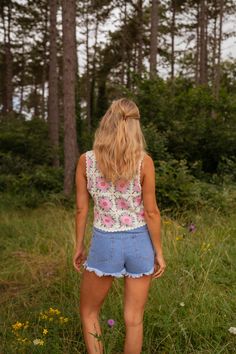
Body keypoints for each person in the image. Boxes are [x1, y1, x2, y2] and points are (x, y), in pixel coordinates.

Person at [73, 98, 166, 354]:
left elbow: (82, 209)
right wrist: (158, 251)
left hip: (105, 242)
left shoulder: (87, 161)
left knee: (90, 311)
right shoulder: (143, 161)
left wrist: (79, 246)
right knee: (134, 319)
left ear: (107, 122)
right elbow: (152, 212)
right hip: (139, 243)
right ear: (135, 125)